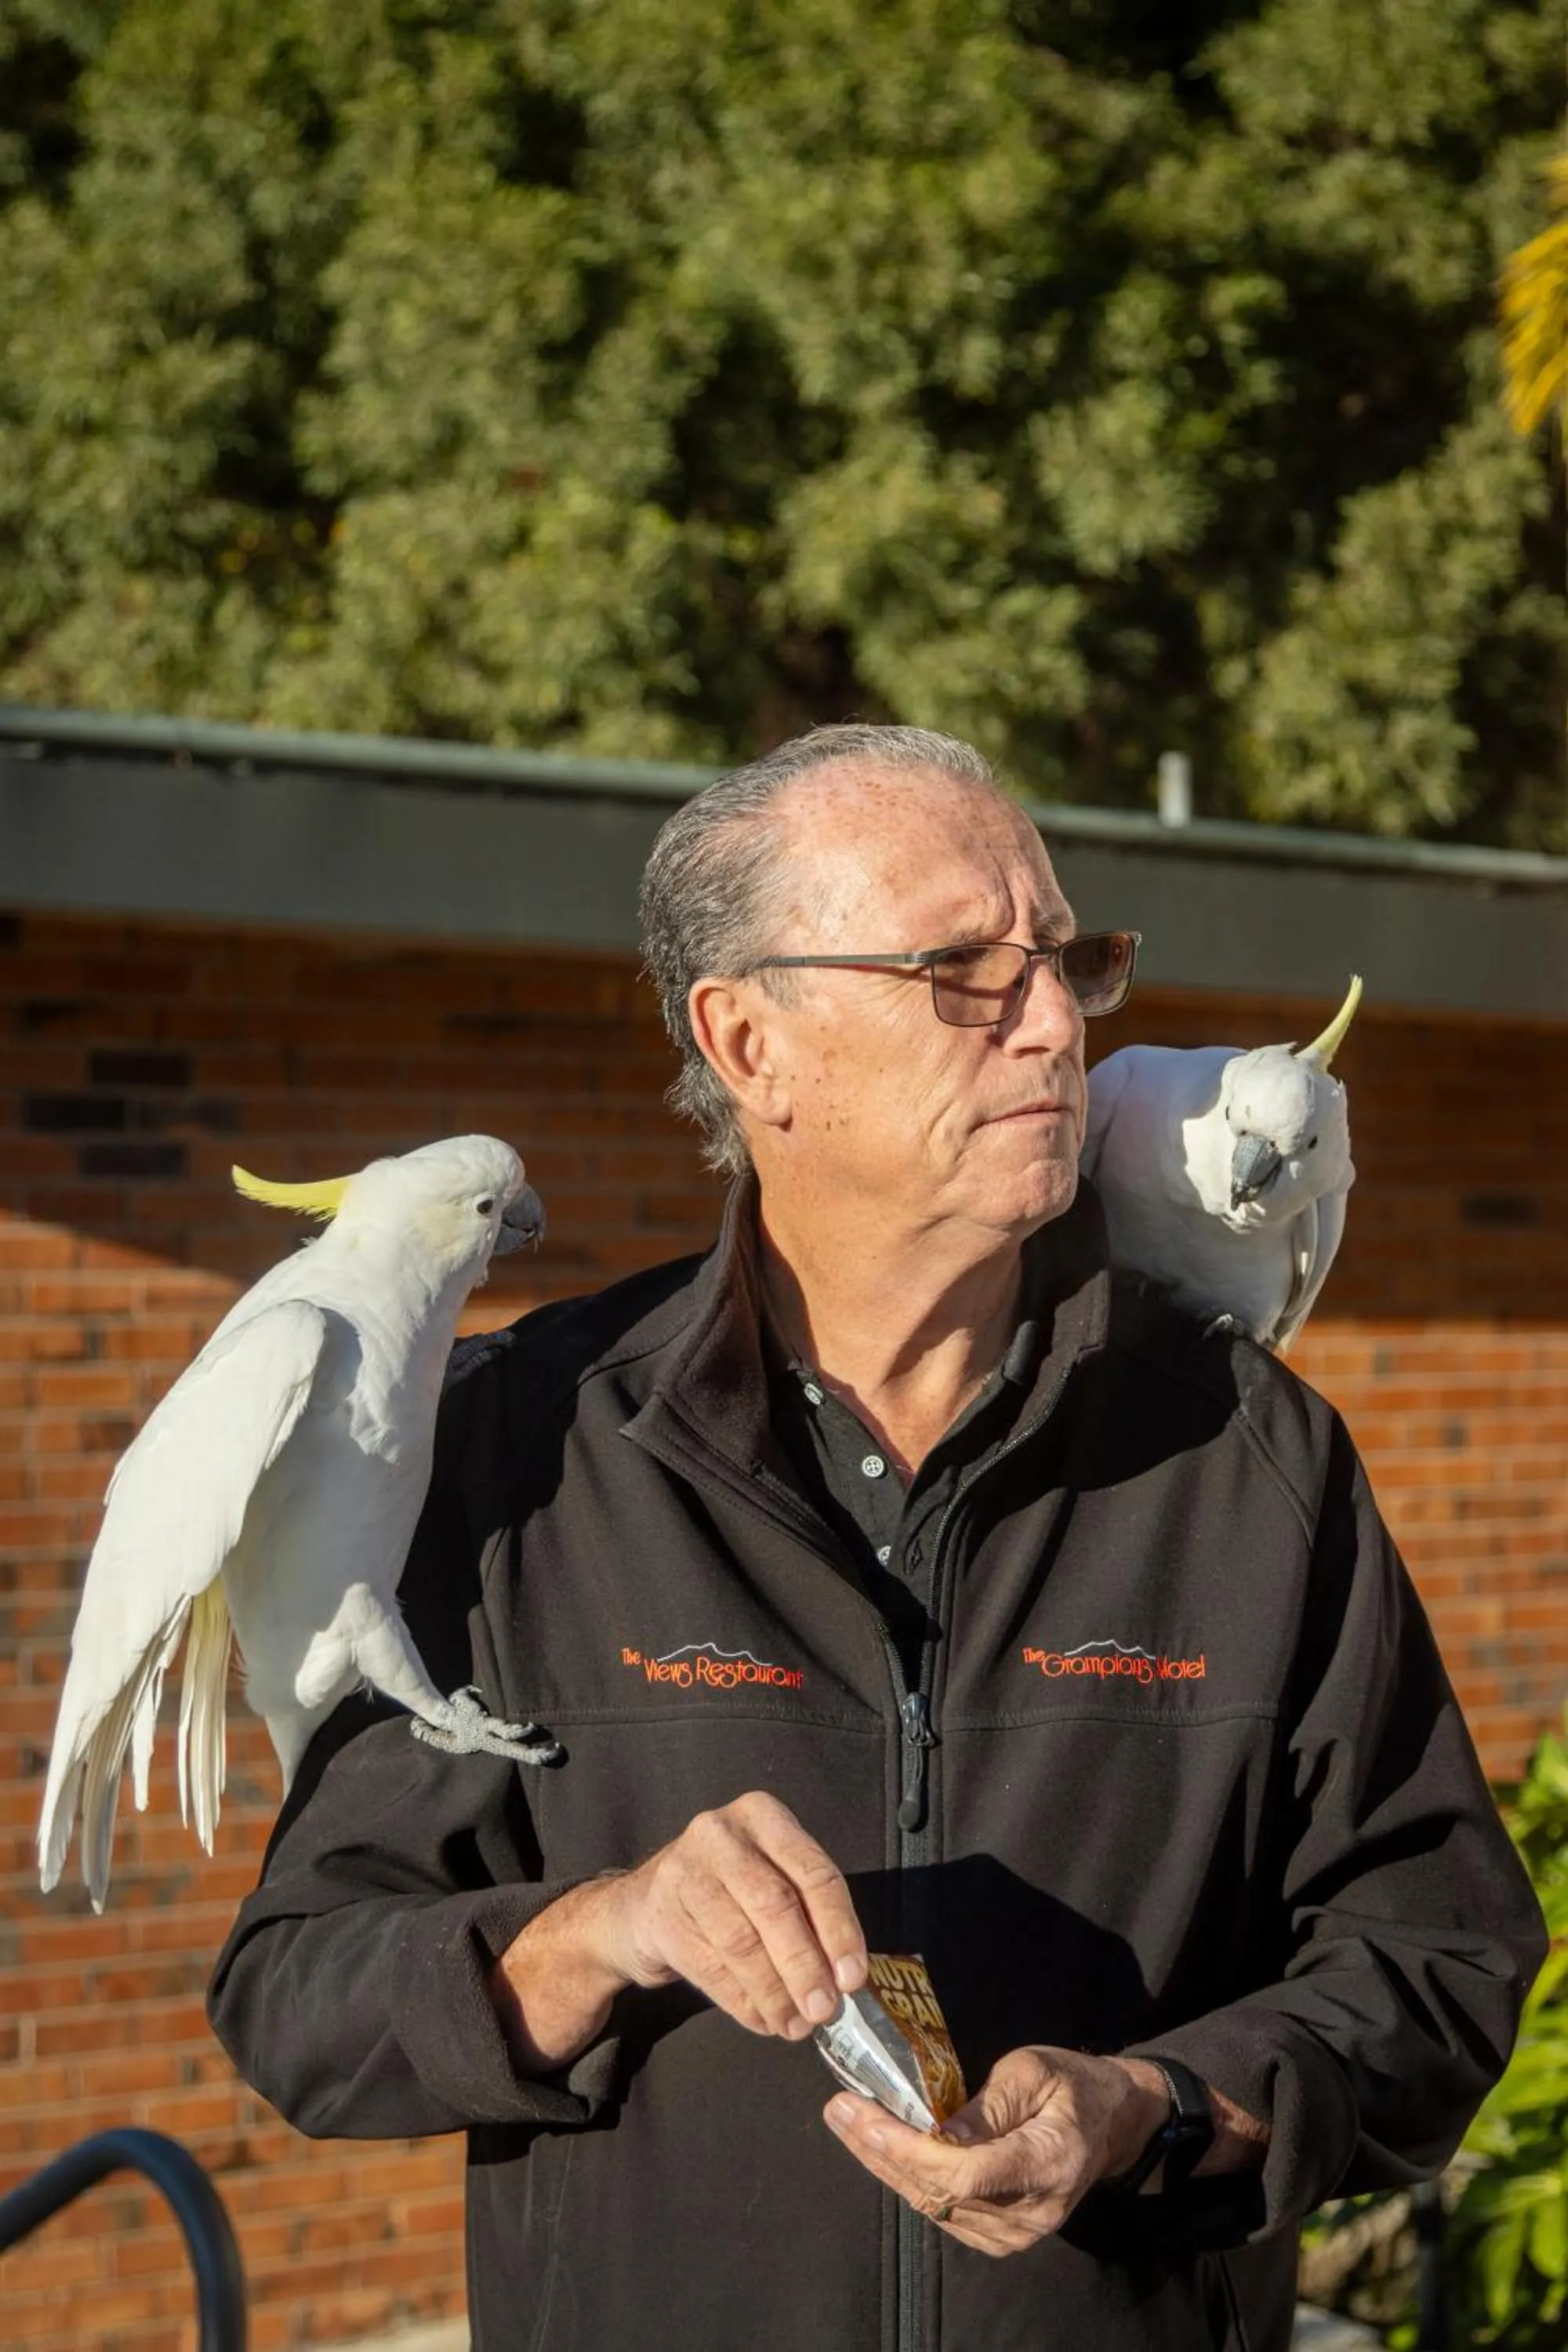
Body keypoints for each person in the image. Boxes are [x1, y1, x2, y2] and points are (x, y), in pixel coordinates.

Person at [209, 724, 1545, 2352]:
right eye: (962, 972)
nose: (1055, 1025)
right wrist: (599, 1932)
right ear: (749, 1044)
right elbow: (301, 1996)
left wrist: (1160, 2109)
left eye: (1064, 961)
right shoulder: (520, 1452)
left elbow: (1439, 1963)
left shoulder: (1249, 1458)